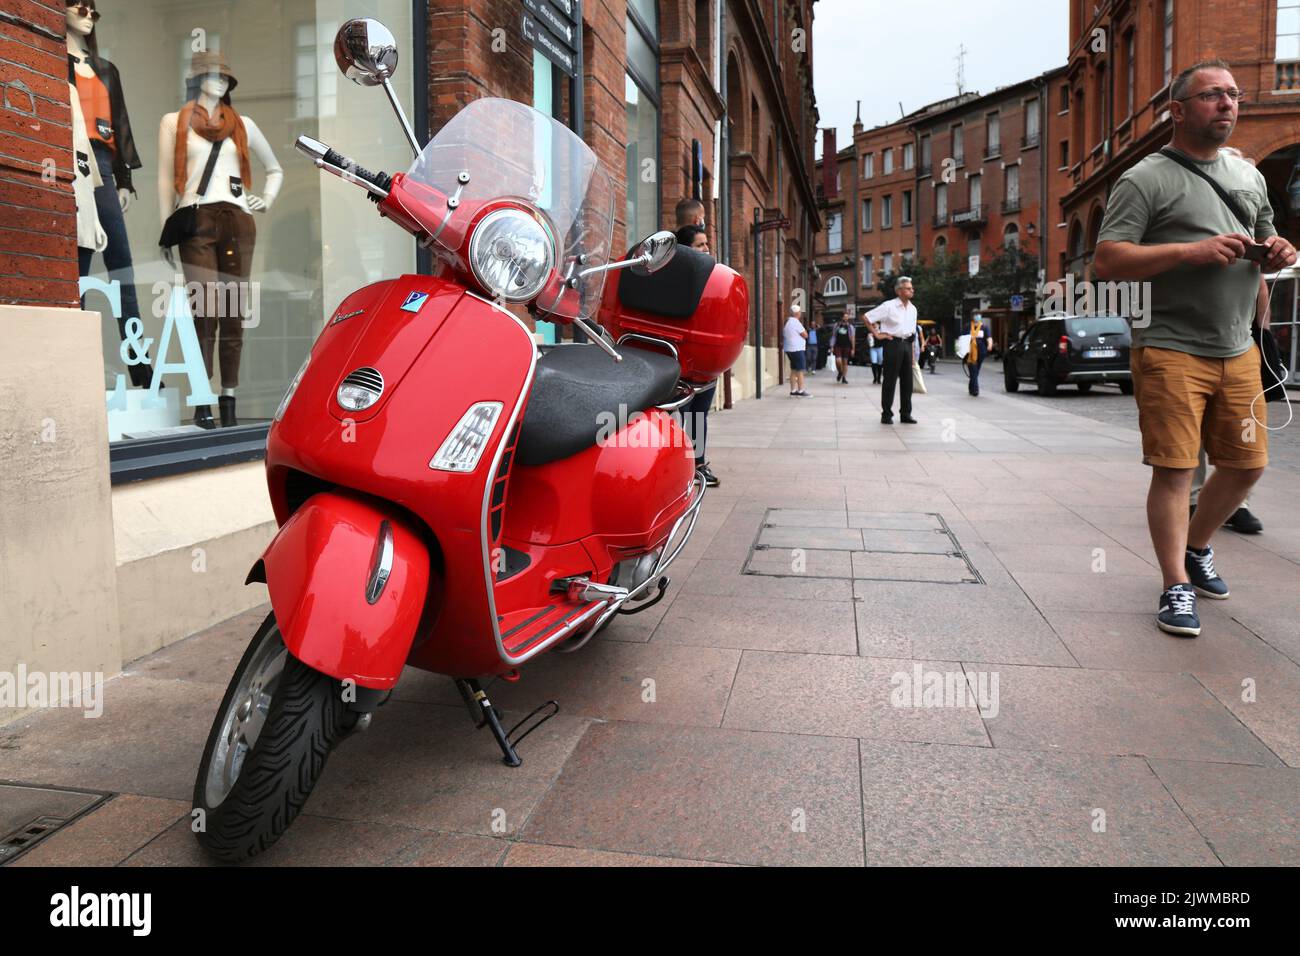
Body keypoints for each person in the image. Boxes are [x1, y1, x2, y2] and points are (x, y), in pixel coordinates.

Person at [1093, 58, 1296, 638]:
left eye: (1233, 95)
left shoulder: (1249, 175)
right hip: (1170, 347)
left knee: (1247, 464)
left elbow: (1262, 237)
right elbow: (1107, 261)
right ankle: (1174, 586)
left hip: (1237, 349)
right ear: (1179, 111)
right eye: (1212, 96)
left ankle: (1198, 546)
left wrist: (1276, 251)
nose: (1228, 104)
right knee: (1176, 470)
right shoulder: (1145, 178)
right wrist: (1188, 252)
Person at [672, 220, 718, 486]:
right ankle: (673, 468)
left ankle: (698, 465)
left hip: (705, 361)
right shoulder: (676, 280)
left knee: (699, 414)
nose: (706, 248)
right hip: (680, 357)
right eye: (700, 245)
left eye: (706, 244)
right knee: (676, 412)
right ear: (685, 249)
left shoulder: (713, 277)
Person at [866, 277, 919, 424]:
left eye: (911, 288)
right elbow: (867, 318)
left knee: (908, 382)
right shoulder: (888, 306)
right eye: (908, 288)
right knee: (890, 380)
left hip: (907, 345)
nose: (912, 290)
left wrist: (913, 356)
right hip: (892, 344)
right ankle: (886, 414)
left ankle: (906, 414)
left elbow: (912, 333)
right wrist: (877, 334)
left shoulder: (913, 309)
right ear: (899, 291)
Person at [783, 303, 810, 396]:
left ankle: (793, 390)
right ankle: (801, 390)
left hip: (789, 349)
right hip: (797, 349)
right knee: (800, 370)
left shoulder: (787, 322)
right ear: (797, 313)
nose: (800, 314)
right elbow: (805, 335)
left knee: (793, 369)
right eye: (799, 312)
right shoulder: (796, 322)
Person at [963, 314, 991, 396]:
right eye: (975, 315)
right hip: (969, 352)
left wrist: (990, 344)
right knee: (974, 370)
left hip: (981, 352)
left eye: (978, 315)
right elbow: (962, 338)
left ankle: (971, 387)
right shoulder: (967, 327)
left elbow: (989, 337)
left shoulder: (984, 327)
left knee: (976, 371)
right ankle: (975, 390)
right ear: (972, 317)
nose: (977, 317)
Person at [832, 310, 855, 384]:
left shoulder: (850, 327)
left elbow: (852, 338)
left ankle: (844, 378)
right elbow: (833, 336)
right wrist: (831, 346)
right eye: (844, 317)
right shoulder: (837, 325)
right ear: (842, 317)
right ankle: (840, 372)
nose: (846, 318)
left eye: (847, 317)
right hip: (838, 345)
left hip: (847, 346)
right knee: (838, 361)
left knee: (845, 362)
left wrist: (853, 349)